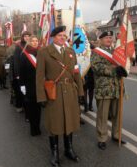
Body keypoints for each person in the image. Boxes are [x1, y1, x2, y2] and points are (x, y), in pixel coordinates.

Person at [36, 26, 84, 166]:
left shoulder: (70, 51)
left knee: (69, 121)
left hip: (70, 91)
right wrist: (41, 97)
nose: (63, 38)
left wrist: (80, 92)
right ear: (53, 37)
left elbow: (76, 73)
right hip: (54, 93)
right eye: (60, 35)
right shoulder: (44, 52)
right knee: (55, 124)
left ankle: (69, 149)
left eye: (64, 35)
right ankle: (55, 153)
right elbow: (39, 77)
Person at [91, 31, 127, 151]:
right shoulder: (96, 52)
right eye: (106, 37)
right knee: (103, 115)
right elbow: (97, 67)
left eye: (110, 37)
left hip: (116, 87)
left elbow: (121, 65)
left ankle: (116, 135)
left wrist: (123, 69)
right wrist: (114, 70)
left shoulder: (115, 52)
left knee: (117, 114)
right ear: (100, 39)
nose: (109, 39)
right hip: (104, 88)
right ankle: (102, 138)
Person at [19, 35, 41, 136]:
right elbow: (21, 71)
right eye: (33, 41)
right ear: (29, 42)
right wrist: (22, 85)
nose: (35, 42)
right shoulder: (25, 54)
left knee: (39, 107)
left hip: (40, 84)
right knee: (32, 107)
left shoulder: (40, 53)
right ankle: (33, 128)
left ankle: (38, 126)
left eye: (36, 41)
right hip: (29, 85)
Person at [13, 31, 31, 113]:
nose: (27, 37)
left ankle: (27, 107)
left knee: (28, 91)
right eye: (25, 36)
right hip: (21, 71)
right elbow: (16, 61)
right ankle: (19, 105)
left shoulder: (31, 46)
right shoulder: (19, 47)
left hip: (29, 72)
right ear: (22, 37)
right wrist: (17, 74)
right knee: (20, 90)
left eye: (28, 36)